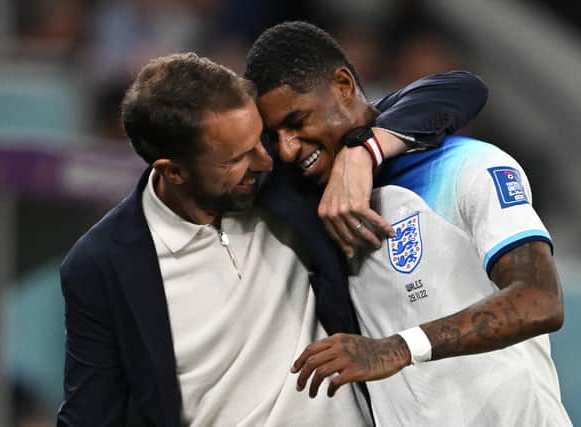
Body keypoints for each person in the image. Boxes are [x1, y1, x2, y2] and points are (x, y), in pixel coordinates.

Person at [57, 50, 486, 425]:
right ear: (174, 171)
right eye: (238, 158)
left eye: (256, 139)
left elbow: (457, 90)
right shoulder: (102, 265)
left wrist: (363, 152)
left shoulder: (286, 164)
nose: (267, 158)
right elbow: (92, 413)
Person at [245, 21, 571, 426]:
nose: (288, 149)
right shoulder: (303, 200)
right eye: (275, 136)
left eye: (298, 122)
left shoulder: (470, 166)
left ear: (344, 85)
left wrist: (399, 348)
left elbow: (540, 300)